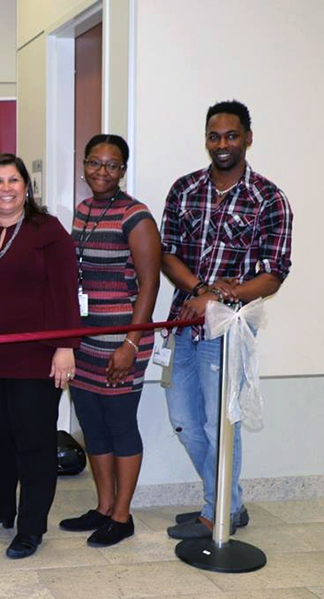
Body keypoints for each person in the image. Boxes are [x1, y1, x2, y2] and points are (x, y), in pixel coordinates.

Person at [161, 100, 293, 539]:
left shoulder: (269, 199)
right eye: (214, 136)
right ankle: (227, 502)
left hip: (229, 332)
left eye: (231, 135)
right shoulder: (184, 189)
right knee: (183, 419)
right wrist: (201, 292)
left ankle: (218, 510)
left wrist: (216, 296)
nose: (222, 144)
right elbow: (168, 253)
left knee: (221, 426)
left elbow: (273, 274)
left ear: (248, 138)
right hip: (184, 326)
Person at [0, 153, 80, 559]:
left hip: (37, 358)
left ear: (27, 188)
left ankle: (30, 527)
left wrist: (66, 346)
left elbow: (66, 289)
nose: (6, 188)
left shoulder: (48, 231)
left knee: (34, 444)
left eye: (14, 181)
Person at [59, 135, 161, 547]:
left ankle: (123, 515)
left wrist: (131, 345)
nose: (102, 171)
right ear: (84, 165)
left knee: (120, 425)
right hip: (85, 338)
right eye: (95, 163)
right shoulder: (83, 211)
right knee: (93, 426)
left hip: (122, 338)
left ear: (123, 170)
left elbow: (150, 285)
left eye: (112, 165)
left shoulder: (136, 216)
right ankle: (102, 507)